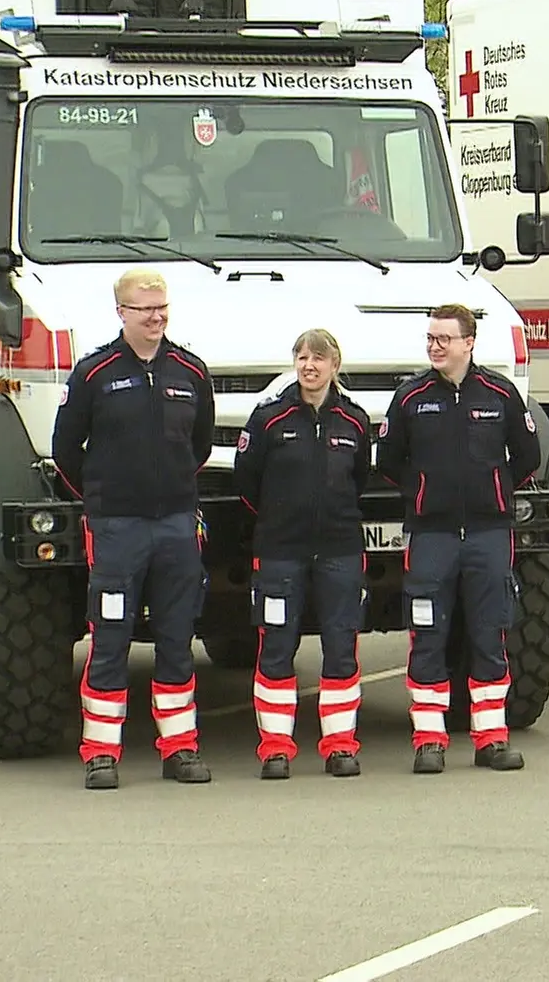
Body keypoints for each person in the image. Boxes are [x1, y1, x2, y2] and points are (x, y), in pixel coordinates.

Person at [52, 267, 216, 790]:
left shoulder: (191, 371)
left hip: (176, 527)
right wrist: (103, 498)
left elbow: (200, 445)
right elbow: (65, 450)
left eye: (161, 307)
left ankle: (180, 748)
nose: (155, 317)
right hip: (117, 529)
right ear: (121, 312)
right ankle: (101, 753)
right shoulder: (94, 373)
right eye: (144, 309)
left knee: (176, 638)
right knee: (110, 638)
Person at [376, 304, 540, 773]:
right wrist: (423, 492)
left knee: (490, 633)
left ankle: (492, 739)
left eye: (444, 339)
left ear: (469, 343)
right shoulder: (410, 398)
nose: (435, 346)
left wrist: (495, 490)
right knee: (428, 636)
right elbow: (389, 461)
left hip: (488, 534)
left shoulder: (500, 393)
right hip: (432, 536)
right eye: (430, 338)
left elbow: (527, 456)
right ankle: (429, 741)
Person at [232, 329, 373, 780]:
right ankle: (275, 749)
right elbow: (246, 480)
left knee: (341, 646)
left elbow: (360, 479)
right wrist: (280, 516)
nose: (309, 366)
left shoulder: (354, 421)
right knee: (276, 646)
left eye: (318, 358)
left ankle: (340, 746)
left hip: (339, 551)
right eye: (302, 357)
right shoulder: (269, 418)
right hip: (280, 552)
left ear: (335, 365)